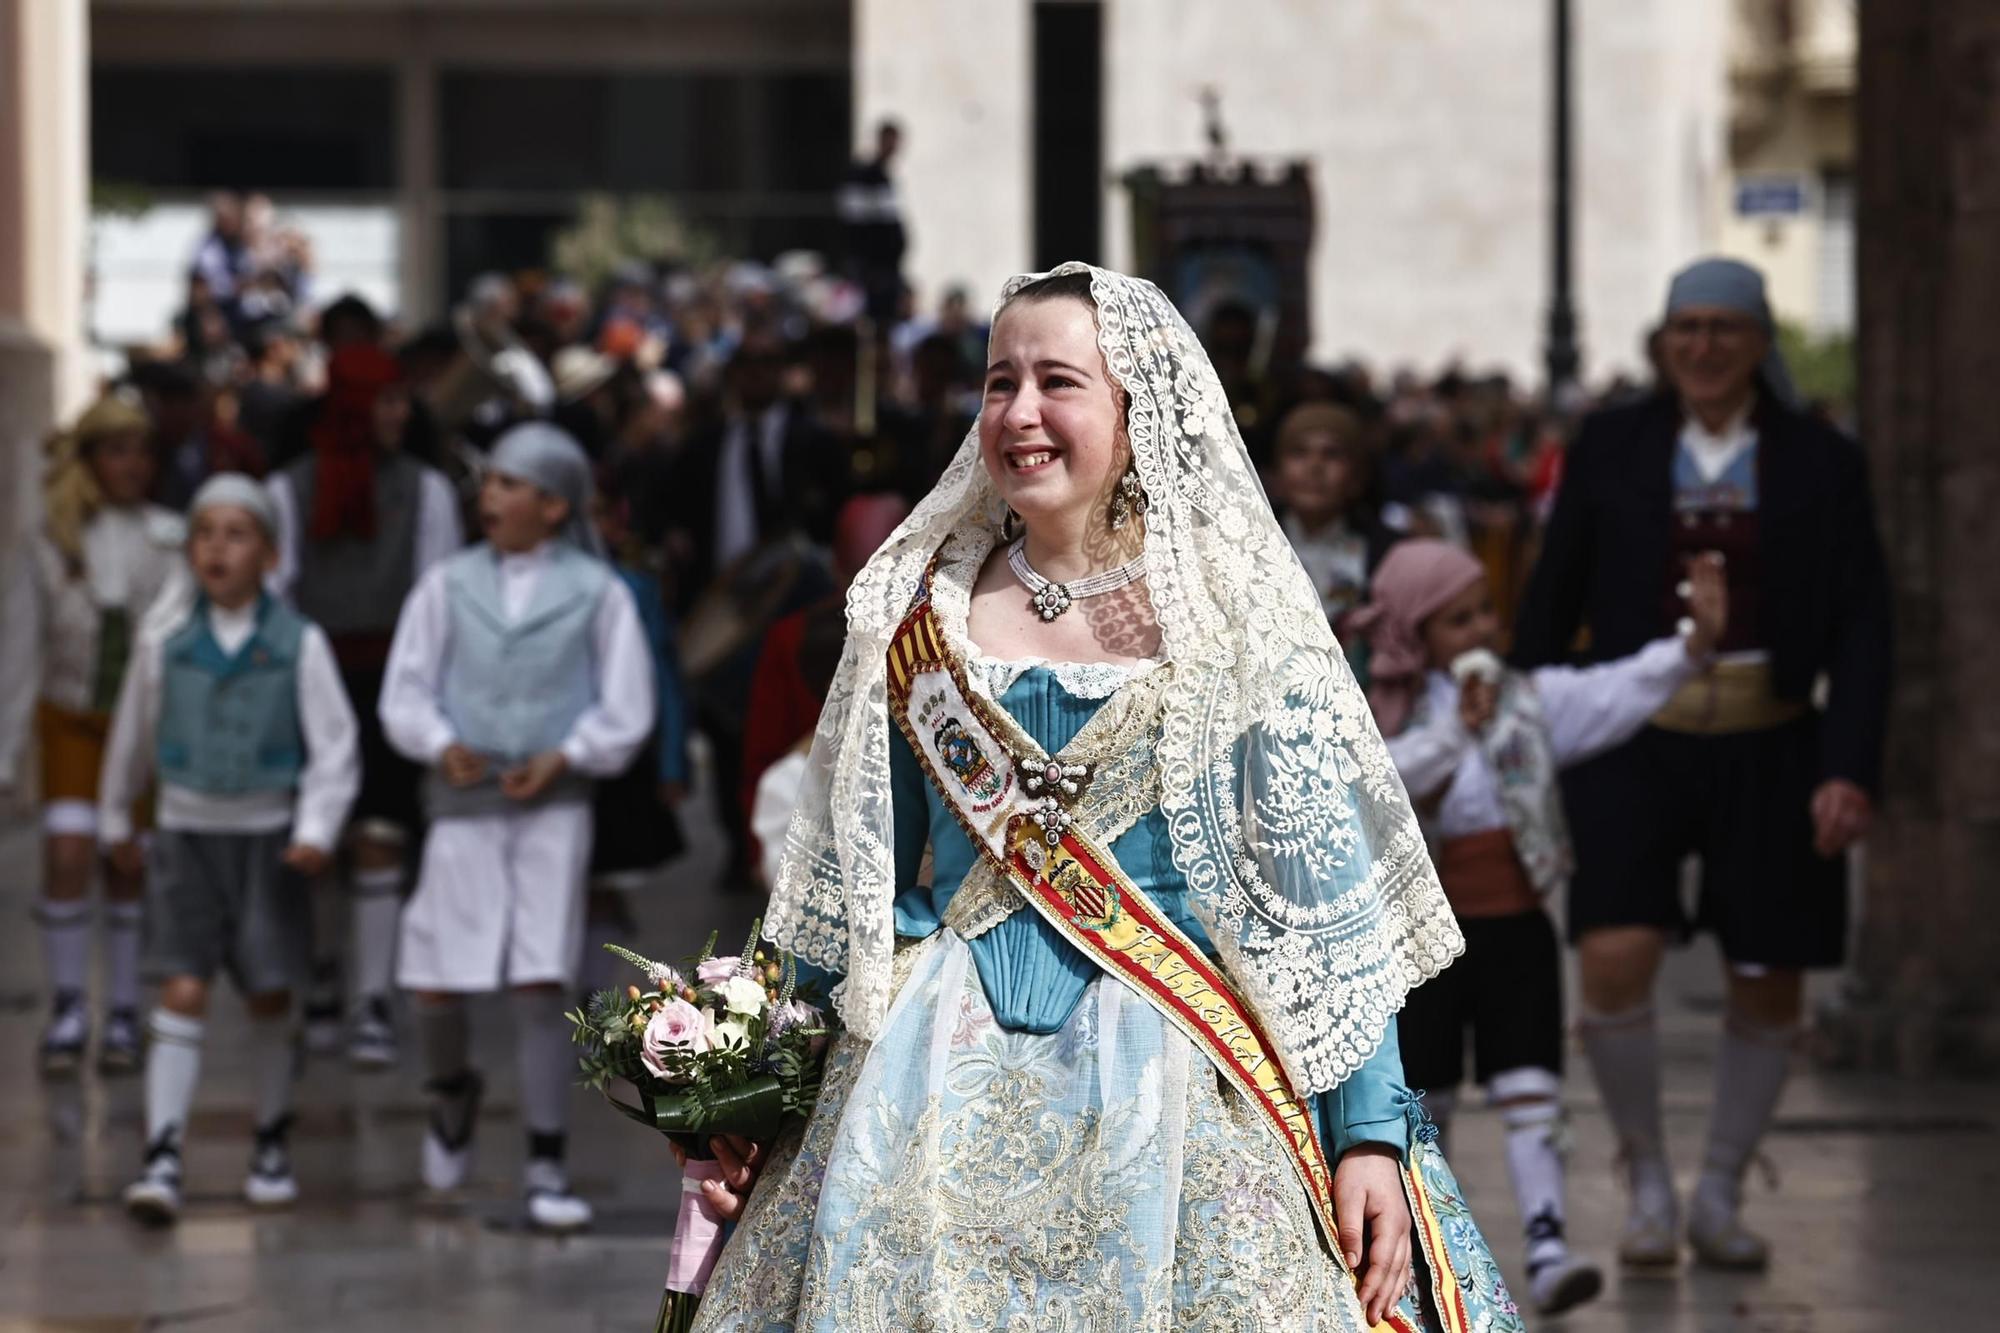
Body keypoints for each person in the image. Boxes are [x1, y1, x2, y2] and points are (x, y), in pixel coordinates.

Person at [685, 266, 1520, 1331]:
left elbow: (1325, 905)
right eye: (997, 383)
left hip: (1175, 1069)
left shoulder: (1229, 620)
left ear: (1136, 410)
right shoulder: (915, 615)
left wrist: (1365, 1134)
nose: (1019, 412)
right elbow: (849, 882)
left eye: (1056, 381)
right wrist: (745, 1082)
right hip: (923, 1074)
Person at [1511, 257, 1892, 1271]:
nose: (1703, 346)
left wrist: (1847, 764)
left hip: (1772, 741)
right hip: (1631, 739)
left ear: (1759, 340)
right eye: (1685, 327)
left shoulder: (1820, 459)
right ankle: (1642, 1180)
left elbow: (1862, 621)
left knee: (1767, 973)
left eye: (1725, 327)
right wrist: (1522, 737)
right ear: (1661, 342)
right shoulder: (1609, 446)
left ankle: (1718, 1188)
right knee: (1611, 955)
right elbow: (1553, 597)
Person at [1352, 538, 1726, 1315]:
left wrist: (1691, 648)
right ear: (1413, 632)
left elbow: (1614, 690)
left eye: (1486, 610)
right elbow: (1382, 781)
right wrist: (1455, 731)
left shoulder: (1528, 698)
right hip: (1422, 938)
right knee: (1426, 1096)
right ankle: (1424, 1249)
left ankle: (1547, 1240)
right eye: (1457, 620)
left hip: (1516, 924)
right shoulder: (1370, 709)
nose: (1481, 630)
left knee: (1531, 1085)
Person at [378, 422, 654, 1233]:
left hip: (551, 809)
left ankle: (544, 1155)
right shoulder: (447, 584)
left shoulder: (597, 592)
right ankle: (450, 1087)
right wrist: (440, 743)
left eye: (506, 483)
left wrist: (568, 754)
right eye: (488, 483)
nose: (488, 497)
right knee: (435, 976)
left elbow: (625, 703)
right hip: (463, 806)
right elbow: (407, 688)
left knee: (539, 978)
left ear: (553, 502)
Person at [103, 475, 360, 1224]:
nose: (218, 547)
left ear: (271, 552)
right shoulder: (164, 643)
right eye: (205, 532)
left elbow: (335, 746)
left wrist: (316, 828)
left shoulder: (297, 643)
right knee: (181, 984)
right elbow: (133, 738)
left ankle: (271, 1132)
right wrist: (119, 816)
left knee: (269, 988)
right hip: (186, 837)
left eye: (236, 532)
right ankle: (163, 1150)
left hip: (268, 840)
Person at [269, 342, 464, 1067]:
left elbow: (435, 596)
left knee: (380, 834)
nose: (399, 413)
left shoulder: (426, 490)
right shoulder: (291, 489)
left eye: (399, 399)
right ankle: (324, 975)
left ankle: (371, 999)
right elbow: (278, 590)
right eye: (383, 400)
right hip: (312, 678)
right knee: (320, 837)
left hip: (390, 680)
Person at [0, 392, 185, 1074]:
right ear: (89, 460)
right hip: (71, 718)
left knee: (127, 861)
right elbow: (21, 650)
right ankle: (71, 1002)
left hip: (138, 725)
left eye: (142, 449)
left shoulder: (172, 536)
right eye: (117, 449)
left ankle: (126, 1011)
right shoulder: (49, 543)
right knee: (69, 851)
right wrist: (5, 750)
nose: (132, 464)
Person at [579, 478, 691, 995]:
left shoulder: (633, 588)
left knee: (601, 881)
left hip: (617, 762)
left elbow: (661, 676)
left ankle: (596, 995)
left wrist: (671, 763)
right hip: (552, 755)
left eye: (601, 513)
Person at [1271, 402, 1399, 629]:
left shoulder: (1389, 553)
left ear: (1356, 477)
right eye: (1299, 453)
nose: (1314, 466)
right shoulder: (1242, 543)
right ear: (1278, 472)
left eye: (1331, 454)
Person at [838, 119, 908, 329]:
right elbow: (857, 226)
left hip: (885, 269)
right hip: (874, 271)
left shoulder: (884, 176)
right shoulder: (864, 176)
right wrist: (869, 267)